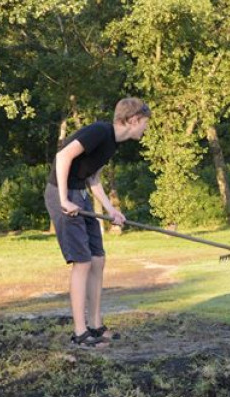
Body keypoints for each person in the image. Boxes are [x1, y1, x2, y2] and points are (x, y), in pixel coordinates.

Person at [44, 97, 151, 347]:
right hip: (64, 194)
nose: (145, 128)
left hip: (80, 193)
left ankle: (95, 325)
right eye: (144, 123)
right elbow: (62, 157)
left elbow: (92, 179)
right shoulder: (99, 132)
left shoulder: (112, 143)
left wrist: (112, 210)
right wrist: (63, 200)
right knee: (82, 262)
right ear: (133, 120)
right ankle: (80, 333)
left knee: (97, 259)